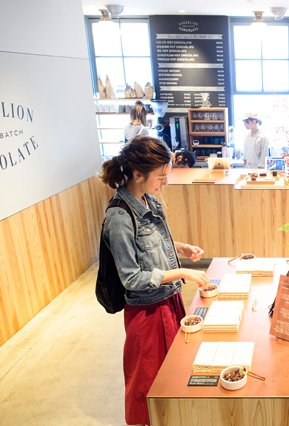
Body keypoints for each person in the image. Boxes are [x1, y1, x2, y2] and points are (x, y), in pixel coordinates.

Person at [98, 136, 209, 426]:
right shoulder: (119, 217)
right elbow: (132, 277)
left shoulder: (149, 200)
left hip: (168, 300)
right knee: (146, 382)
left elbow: (153, 243)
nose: (165, 183)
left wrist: (181, 248)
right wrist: (183, 272)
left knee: (172, 373)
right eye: (161, 177)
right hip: (145, 313)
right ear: (138, 174)